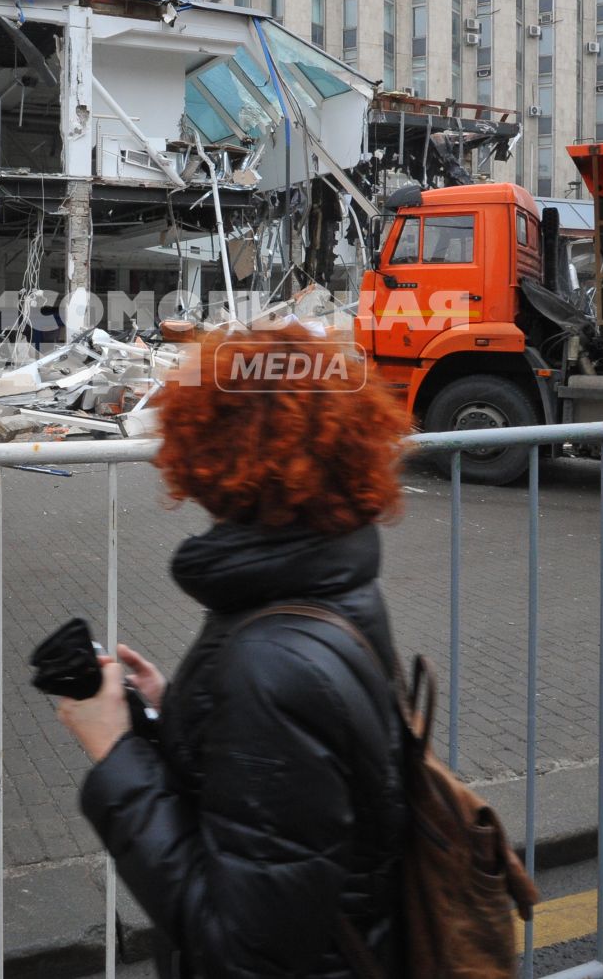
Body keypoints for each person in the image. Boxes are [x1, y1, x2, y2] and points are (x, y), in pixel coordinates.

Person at [55, 321, 413, 978]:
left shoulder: (269, 663)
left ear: (214, 454)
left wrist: (116, 757)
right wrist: (176, 713)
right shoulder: (333, 584)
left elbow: (242, 954)